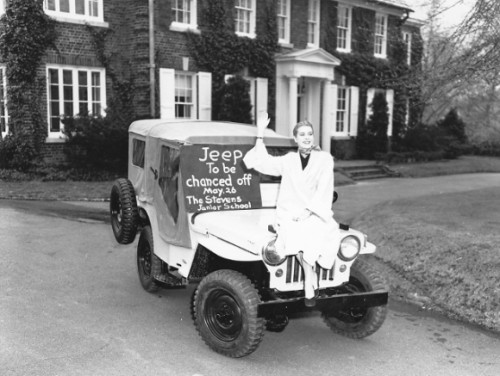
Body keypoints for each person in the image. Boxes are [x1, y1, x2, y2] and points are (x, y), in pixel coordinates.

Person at [243, 113, 341, 307]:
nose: (306, 137)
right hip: (289, 212)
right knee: (292, 233)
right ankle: (309, 280)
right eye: (302, 134)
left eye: (309, 134)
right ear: (295, 139)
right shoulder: (288, 160)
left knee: (316, 231)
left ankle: (309, 280)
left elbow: (324, 188)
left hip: (315, 212)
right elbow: (263, 161)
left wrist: (310, 211)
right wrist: (261, 131)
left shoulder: (324, 159)